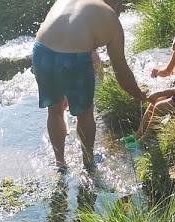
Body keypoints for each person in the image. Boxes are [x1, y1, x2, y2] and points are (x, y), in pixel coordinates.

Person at [33, 0, 145, 171]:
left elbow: (69, 35)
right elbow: (121, 70)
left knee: (54, 111)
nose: (122, 8)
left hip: (41, 51)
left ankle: (60, 164)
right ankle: (88, 162)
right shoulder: (110, 17)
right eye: (120, 4)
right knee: (85, 114)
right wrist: (139, 94)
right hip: (74, 59)